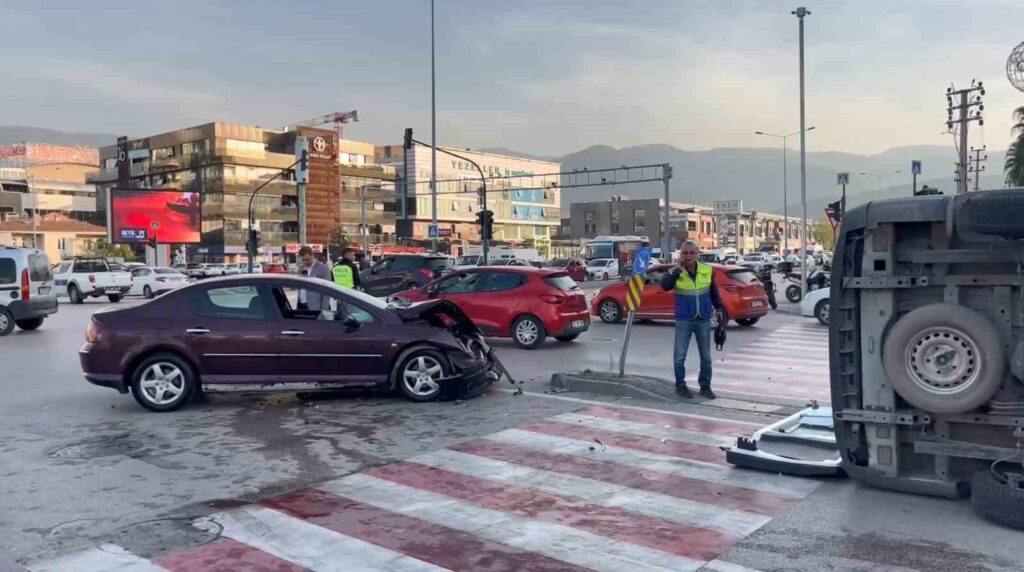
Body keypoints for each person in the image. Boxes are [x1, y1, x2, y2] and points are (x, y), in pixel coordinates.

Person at [660, 240, 723, 399]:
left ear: (697, 254)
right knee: (680, 355)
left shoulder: (707, 270)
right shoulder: (675, 271)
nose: (688, 256)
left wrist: (719, 308)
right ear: (680, 255)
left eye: (691, 253)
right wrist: (677, 270)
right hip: (684, 319)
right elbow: (665, 286)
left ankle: (705, 386)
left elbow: (714, 292)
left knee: (706, 356)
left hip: (703, 318)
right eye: (685, 253)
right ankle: (680, 385)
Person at [297, 246, 332, 310]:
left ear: (312, 255)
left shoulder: (323, 268)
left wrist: (324, 309)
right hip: (301, 305)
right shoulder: (301, 268)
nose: (305, 262)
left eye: (307, 259)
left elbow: (327, 291)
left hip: (316, 306)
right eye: (303, 260)